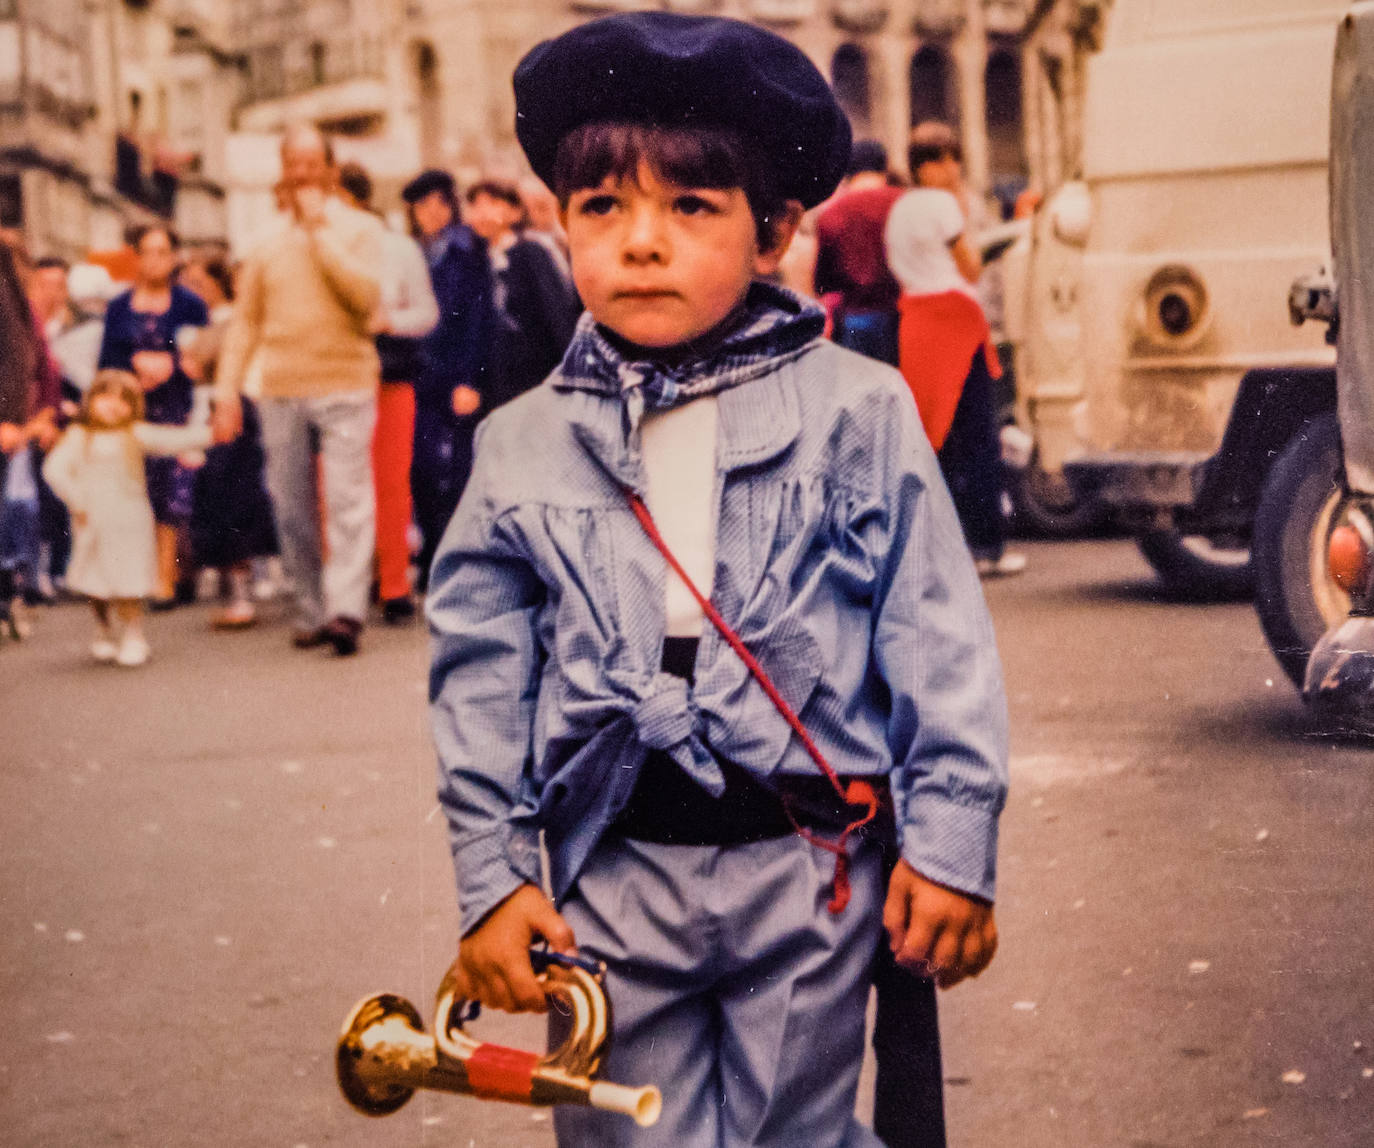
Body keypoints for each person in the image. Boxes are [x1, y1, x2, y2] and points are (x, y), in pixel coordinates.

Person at [429, 13, 1009, 1147]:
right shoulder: (518, 443)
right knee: (622, 1130)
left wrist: (951, 845)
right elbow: (478, 680)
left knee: (800, 1128)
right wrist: (493, 878)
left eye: (690, 207)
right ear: (562, 225)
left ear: (775, 232)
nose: (641, 243)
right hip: (608, 879)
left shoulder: (861, 410)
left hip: (808, 877)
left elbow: (939, 638)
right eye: (604, 208)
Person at [212, 123, 385, 657]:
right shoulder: (261, 243)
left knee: (347, 501)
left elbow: (366, 302)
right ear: (284, 172)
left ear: (331, 171)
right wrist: (226, 390)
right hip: (282, 386)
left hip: (346, 381)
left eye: (313, 164)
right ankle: (311, 608)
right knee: (290, 506)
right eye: (294, 164)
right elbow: (245, 323)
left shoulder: (361, 229)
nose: (303, 174)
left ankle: (346, 612)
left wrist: (319, 231)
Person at [885, 123, 1025, 579]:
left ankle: (930, 550)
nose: (957, 169)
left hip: (917, 324)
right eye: (951, 160)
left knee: (931, 436)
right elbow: (967, 267)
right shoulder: (945, 204)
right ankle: (987, 545)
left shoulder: (900, 208)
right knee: (979, 436)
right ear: (937, 164)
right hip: (955, 322)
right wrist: (963, 207)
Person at [42, 370, 212, 666]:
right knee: (96, 584)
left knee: (129, 579)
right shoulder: (79, 436)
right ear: (91, 399)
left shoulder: (135, 433)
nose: (114, 405)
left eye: (124, 400)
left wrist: (211, 434)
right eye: (106, 396)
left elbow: (171, 439)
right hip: (92, 520)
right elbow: (54, 470)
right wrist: (77, 499)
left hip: (130, 520)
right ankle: (104, 629)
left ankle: (134, 633)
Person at [336, 161, 439, 623]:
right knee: (334, 486)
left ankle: (394, 582)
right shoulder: (317, 247)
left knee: (390, 480)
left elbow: (426, 313)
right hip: (332, 375)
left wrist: (388, 321)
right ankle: (348, 588)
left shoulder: (397, 249)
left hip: (387, 373)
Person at [98, 224, 210, 605]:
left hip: (176, 408)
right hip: (131, 411)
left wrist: (171, 363)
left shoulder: (189, 305)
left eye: (162, 252)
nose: (154, 261)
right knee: (137, 493)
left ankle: (167, 577)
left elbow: (202, 355)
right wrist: (132, 367)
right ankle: (147, 574)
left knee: (172, 497)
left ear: (175, 257)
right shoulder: (118, 307)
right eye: (147, 252)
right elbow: (105, 363)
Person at [400, 168, 495, 591]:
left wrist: (471, 379)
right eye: (420, 206)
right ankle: (431, 558)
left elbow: (479, 318)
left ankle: (455, 563)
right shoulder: (415, 252)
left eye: (435, 204)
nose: (427, 213)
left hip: (456, 374)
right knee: (419, 469)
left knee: (457, 471)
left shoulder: (469, 250)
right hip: (420, 374)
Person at [179, 255, 278, 629]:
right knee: (218, 499)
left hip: (236, 409)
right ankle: (237, 588)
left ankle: (243, 591)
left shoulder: (235, 321)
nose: (194, 289)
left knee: (234, 500)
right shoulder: (206, 323)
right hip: (211, 409)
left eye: (200, 281)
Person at [464, 178, 582, 408]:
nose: (482, 213)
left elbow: (556, 314)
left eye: (492, 203)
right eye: (475, 205)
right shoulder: (474, 260)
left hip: (535, 376)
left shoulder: (530, 253)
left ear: (515, 212)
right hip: (494, 381)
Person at [815, 139, 906, 366]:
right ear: (885, 166)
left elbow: (823, 282)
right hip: (903, 316)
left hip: (855, 320)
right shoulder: (903, 201)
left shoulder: (832, 213)